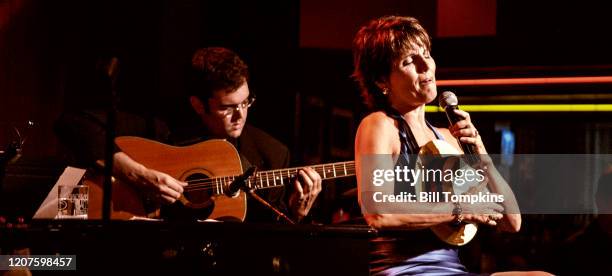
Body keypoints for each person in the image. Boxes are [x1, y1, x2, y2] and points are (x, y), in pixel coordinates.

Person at [55, 47, 321, 223]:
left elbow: (269, 243)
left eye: (246, 102)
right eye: (227, 108)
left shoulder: (272, 154)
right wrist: (140, 175)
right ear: (198, 105)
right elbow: (72, 123)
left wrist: (296, 214)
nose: (241, 115)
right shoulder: (163, 125)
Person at [352, 15, 524, 275]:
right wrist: (460, 209)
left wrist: (480, 151)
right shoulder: (380, 125)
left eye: (426, 54)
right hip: (405, 270)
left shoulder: (449, 136)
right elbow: (378, 213)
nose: (425, 66)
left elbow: (511, 221)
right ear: (381, 81)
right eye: (409, 61)